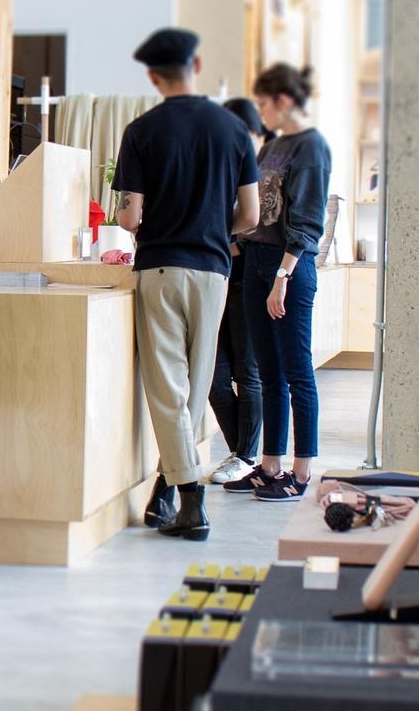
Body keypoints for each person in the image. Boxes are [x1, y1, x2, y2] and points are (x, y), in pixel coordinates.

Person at [113, 29, 261, 540]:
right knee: (195, 387)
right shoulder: (236, 131)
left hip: (160, 268)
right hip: (216, 272)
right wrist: (215, 229)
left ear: (153, 77)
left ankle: (191, 501)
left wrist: (143, 215)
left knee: (166, 386)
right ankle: (165, 489)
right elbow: (251, 214)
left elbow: (129, 218)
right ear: (195, 64)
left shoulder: (141, 131)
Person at [224, 64, 332, 502]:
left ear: (284, 101)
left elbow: (307, 220)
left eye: (265, 103)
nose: (261, 111)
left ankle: (301, 473)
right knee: (268, 372)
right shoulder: (274, 145)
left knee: (297, 371)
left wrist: (282, 276)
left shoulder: (311, 146)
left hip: (290, 267)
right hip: (256, 262)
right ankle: (270, 466)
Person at [206, 98, 268, 485]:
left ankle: (246, 454)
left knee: (248, 371)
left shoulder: (261, 170)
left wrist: (220, 236)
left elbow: (257, 228)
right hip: (219, 276)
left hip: (250, 279)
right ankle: (241, 454)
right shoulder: (224, 168)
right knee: (213, 373)